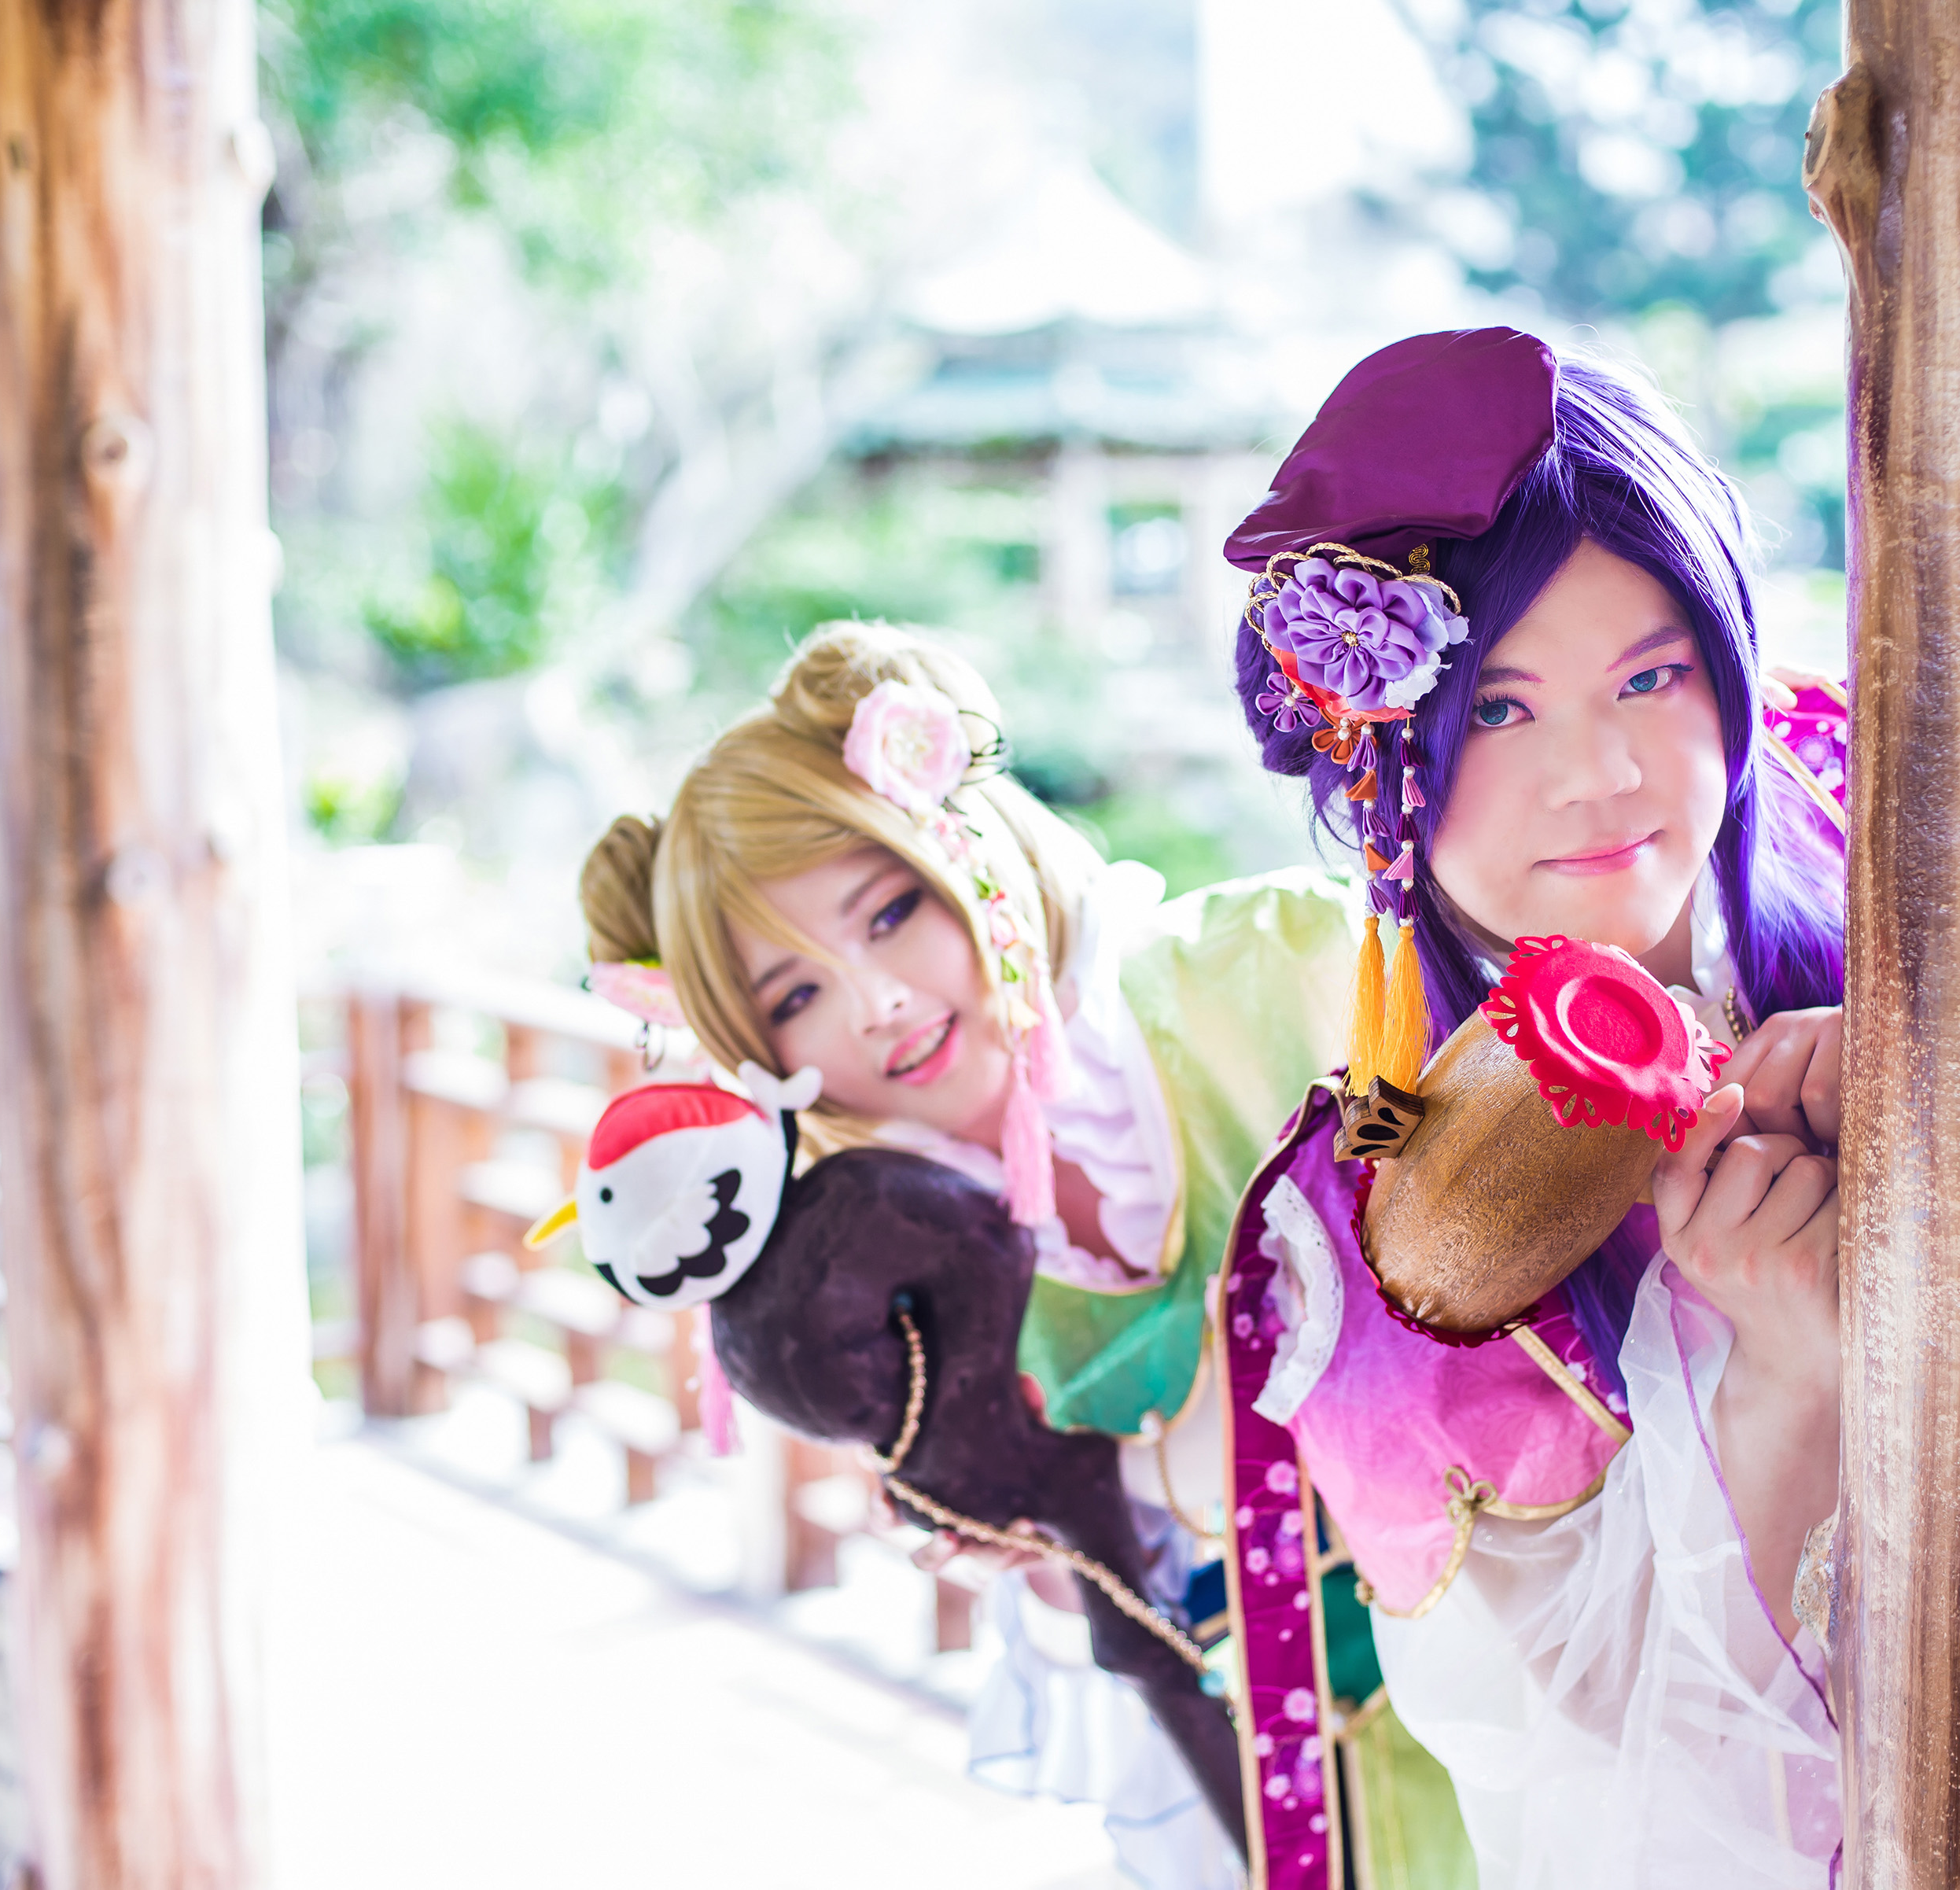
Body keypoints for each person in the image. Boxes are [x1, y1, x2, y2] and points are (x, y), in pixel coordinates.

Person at [574, 621, 1477, 1888]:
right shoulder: (885, 1282)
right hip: (1299, 1788)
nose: (878, 1003)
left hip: (1546, 1658)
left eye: (892, 911)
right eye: (796, 997)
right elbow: (1121, 1623)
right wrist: (1043, 1555)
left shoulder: (1289, 962)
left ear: (972, 844)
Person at [1215, 327, 1850, 1887]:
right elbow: (1629, 1796)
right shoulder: (1385, 1242)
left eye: (1652, 676)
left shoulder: (1889, 863)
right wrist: (1787, 1378)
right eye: (1499, 710)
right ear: (1380, 768)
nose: (1599, 773)